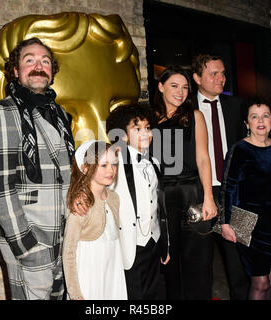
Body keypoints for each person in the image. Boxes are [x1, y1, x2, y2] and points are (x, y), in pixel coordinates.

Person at [0, 37, 83, 300]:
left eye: (45, 61)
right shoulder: (1, 113)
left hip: (62, 232)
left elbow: (64, 170)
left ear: (52, 71)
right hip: (29, 235)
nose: (39, 66)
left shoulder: (59, 114)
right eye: (30, 60)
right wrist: (25, 245)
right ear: (15, 71)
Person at [152, 65, 217, 299]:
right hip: (161, 199)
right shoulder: (148, 119)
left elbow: (203, 158)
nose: (180, 92)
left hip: (193, 195)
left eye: (185, 87)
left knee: (198, 260)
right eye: (174, 86)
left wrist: (209, 197)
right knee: (167, 262)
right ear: (160, 87)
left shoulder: (195, 116)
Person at [219, 97, 271, 300]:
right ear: (246, 123)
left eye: (265, 116)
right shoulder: (240, 150)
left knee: (270, 278)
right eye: (254, 116)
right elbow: (227, 188)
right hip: (250, 227)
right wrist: (225, 223)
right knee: (259, 283)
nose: (260, 121)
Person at [191, 53, 249, 300]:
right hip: (199, 193)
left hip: (236, 193)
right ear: (197, 78)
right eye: (213, 73)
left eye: (223, 73)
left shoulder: (237, 106)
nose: (221, 78)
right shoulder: (186, 109)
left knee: (241, 262)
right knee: (199, 262)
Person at [105, 103, 170, 300]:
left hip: (153, 242)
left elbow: (160, 209)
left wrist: (165, 244)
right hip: (129, 246)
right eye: (137, 128)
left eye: (148, 128)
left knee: (156, 296)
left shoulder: (154, 163)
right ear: (123, 135)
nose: (145, 133)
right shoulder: (113, 161)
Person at [62, 140, 127, 300]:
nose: (111, 170)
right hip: (89, 272)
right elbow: (69, 251)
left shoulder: (114, 198)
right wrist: (75, 293)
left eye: (114, 164)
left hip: (112, 270)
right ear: (85, 168)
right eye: (103, 165)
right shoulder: (81, 203)